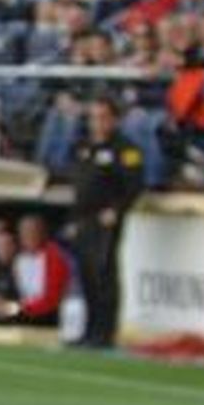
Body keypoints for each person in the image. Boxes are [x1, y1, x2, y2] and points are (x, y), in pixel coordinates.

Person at [68, 96, 144, 347]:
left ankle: (105, 332)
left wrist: (117, 210)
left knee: (104, 275)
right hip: (84, 218)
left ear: (114, 120)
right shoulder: (83, 146)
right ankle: (89, 330)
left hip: (106, 220)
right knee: (87, 275)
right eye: (94, 118)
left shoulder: (126, 149)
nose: (98, 123)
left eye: (103, 118)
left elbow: (134, 186)